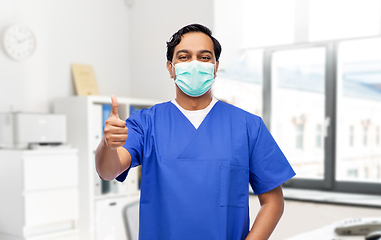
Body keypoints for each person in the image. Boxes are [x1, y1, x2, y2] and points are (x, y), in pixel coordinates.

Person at [95, 23, 295, 240]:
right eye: (184, 57)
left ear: (216, 67)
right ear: (170, 68)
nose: (194, 63)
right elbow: (107, 171)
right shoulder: (145, 123)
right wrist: (108, 144)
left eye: (204, 57)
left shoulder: (248, 126)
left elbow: (273, 202)